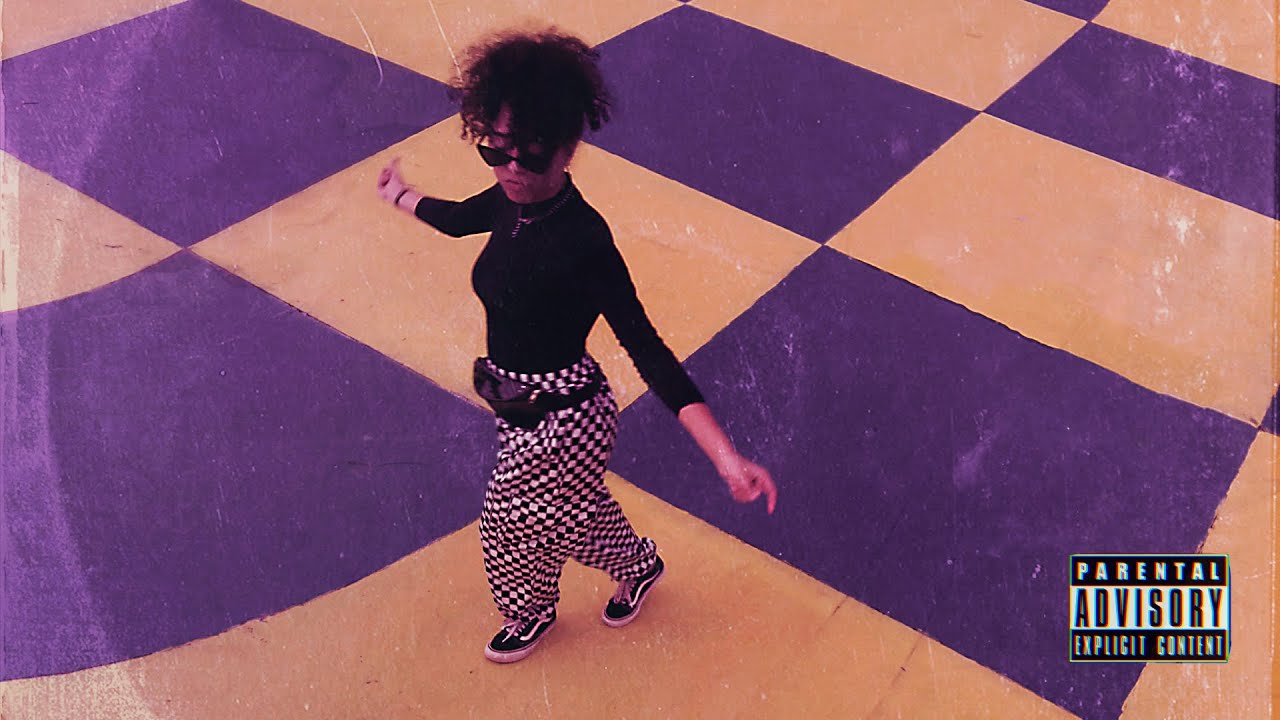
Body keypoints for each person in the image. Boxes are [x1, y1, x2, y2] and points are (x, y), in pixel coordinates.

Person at [376, 27, 777, 664]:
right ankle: (639, 564)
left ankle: (530, 610)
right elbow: (455, 220)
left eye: (531, 155)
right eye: (495, 150)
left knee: (508, 521)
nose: (512, 169)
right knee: (571, 511)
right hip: (517, 400)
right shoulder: (509, 199)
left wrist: (727, 460)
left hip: (565, 416)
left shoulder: (583, 239)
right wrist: (400, 195)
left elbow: (649, 350)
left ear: (567, 149)